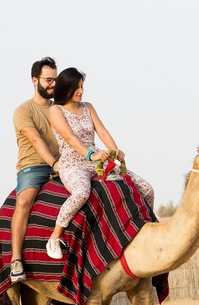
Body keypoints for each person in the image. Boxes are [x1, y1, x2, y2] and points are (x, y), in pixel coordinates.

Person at [45, 67, 155, 259]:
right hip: (73, 162)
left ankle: (148, 226)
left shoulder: (88, 106)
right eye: (77, 87)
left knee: (146, 187)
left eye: (82, 87)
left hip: (98, 158)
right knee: (81, 193)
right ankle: (54, 237)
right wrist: (90, 155)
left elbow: (102, 132)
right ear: (66, 88)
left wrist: (115, 151)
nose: (81, 91)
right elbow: (69, 137)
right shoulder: (55, 110)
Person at [10, 57, 61, 282]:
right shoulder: (23, 111)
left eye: (55, 80)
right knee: (24, 201)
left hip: (62, 164)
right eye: (48, 80)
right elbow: (36, 140)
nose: (53, 84)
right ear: (34, 80)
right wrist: (54, 164)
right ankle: (16, 260)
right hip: (34, 167)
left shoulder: (59, 109)